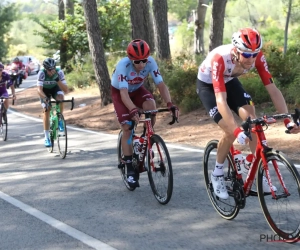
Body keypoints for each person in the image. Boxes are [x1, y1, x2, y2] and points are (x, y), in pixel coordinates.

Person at [196, 27, 299, 199]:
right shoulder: (219, 58)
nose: (251, 59)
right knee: (229, 130)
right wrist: (236, 130)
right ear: (236, 51)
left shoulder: (257, 57)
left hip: (230, 81)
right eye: (247, 55)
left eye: (255, 54)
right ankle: (217, 174)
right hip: (208, 87)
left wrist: (287, 120)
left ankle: (256, 171)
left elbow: (273, 90)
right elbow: (221, 101)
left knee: (253, 122)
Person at [111, 39, 179, 188]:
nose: (141, 64)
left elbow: (160, 84)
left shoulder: (151, 62)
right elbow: (123, 92)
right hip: (120, 92)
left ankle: (144, 140)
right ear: (130, 59)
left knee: (151, 106)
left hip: (136, 90)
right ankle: (129, 167)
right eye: (137, 62)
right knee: (127, 127)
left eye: (144, 60)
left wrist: (169, 104)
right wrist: (132, 109)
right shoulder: (123, 65)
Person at [37, 58, 68, 147]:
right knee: (47, 110)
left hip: (55, 88)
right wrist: (45, 98)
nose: (51, 71)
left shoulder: (59, 72)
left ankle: (59, 119)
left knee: (61, 98)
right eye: (49, 70)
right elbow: (39, 90)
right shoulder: (42, 73)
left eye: (53, 69)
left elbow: (65, 90)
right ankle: (46, 137)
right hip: (44, 91)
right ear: (46, 69)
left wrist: (57, 80)